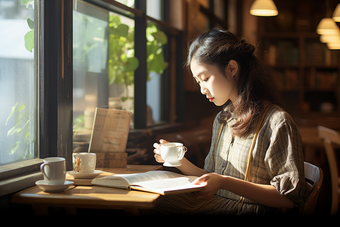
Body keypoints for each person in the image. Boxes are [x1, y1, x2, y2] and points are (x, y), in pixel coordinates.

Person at [152, 28, 311, 215]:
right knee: (150, 201)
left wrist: (225, 182)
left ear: (232, 68)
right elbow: (211, 178)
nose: (202, 89)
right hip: (217, 204)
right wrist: (178, 161)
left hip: (246, 210)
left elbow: (288, 199)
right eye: (198, 82)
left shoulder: (277, 122)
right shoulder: (222, 119)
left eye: (205, 78)